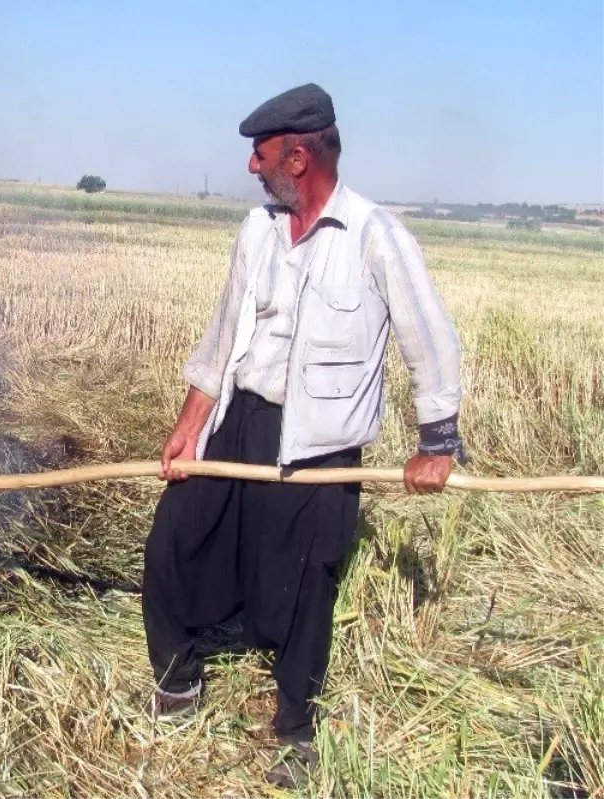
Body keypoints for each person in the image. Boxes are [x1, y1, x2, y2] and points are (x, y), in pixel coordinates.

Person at [141, 83, 466, 789]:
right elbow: (222, 335)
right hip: (242, 422)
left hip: (320, 448)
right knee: (175, 539)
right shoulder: (256, 232)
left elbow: (431, 342)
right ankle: (178, 679)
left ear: (296, 156)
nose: (250, 168)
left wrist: (436, 443)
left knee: (301, 587)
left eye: (259, 155)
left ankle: (294, 727)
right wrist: (189, 427)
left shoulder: (377, 237)